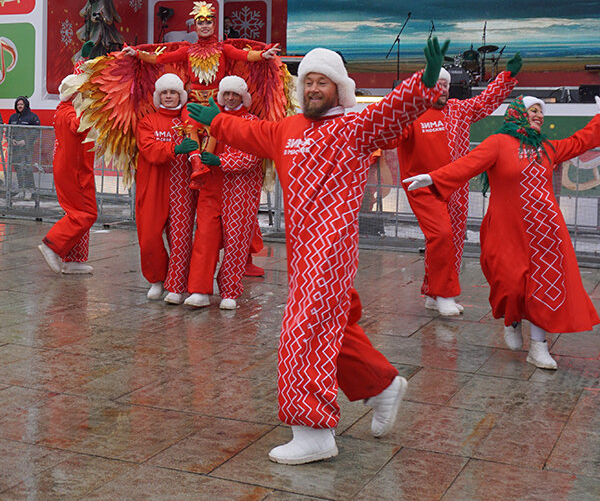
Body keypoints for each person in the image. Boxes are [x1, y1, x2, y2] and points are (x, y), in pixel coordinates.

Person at [188, 37, 447, 464]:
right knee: (332, 329)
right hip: (301, 250)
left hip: (331, 250)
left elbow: (392, 112)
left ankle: (313, 431)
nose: (313, 89)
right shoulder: (288, 129)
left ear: (338, 88)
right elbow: (252, 132)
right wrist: (217, 121)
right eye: (307, 81)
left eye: (322, 82)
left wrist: (426, 82)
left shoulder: (354, 127)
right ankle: (382, 386)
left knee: (301, 333)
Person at [404, 88, 600, 371]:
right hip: (506, 231)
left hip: (545, 231)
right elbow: (467, 166)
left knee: (543, 287)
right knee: (512, 284)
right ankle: (513, 319)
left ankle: (538, 347)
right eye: (534, 111)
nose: (539, 116)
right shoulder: (498, 143)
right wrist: (432, 177)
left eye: (542, 111)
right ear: (518, 114)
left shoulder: (547, 148)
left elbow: (581, 141)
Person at [392, 56, 521, 316]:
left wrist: (506, 78)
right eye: (436, 84)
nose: (443, 90)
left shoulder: (459, 110)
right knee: (441, 235)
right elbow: (390, 134)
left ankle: (433, 291)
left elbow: (485, 103)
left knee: (451, 240)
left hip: (457, 187)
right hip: (423, 186)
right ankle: (445, 294)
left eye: (446, 85)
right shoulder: (412, 113)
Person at [122, 1, 281, 185]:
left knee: (216, 125)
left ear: (214, 25)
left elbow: (243, 55)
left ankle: (207, 165)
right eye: (200, 22)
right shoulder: (188, 51)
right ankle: (197, 164)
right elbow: (160, 58)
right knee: (189, 122)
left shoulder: (224, 48)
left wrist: (262, 55)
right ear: (195, 26)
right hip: (194, 102)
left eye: (208, 22)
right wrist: (137, 54)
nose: (205, 26)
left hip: (216, 103)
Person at [184, 76, 263, 310]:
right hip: (211, 188)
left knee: (236, 241)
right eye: (226, 94)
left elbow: (252, 155)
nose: (230, 98)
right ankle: (199, 290)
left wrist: (221, 160)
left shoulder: (252, 122)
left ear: (242, 97)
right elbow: (195, 142)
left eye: (234, 94)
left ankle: (230, 290)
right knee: (205, 238)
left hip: (241, 191)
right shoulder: (211, 120)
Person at [134, 73, 197, 302]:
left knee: (180, 237)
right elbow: (149, 149)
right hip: (153, 186)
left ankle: (177, 284)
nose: (169, 96)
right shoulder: (148, 121)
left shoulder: (187, 121)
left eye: (173, 92)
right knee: (149, 237)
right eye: (165, 92)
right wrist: (174, 148)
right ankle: (157, 279)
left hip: (182, 188)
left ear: (181, 95)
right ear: (158, 95)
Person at [37, 74, 95, 275]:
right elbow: (77, 125)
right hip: (74, 171)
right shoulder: (70, 112)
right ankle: (52, 245)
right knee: (84, 214)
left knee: (78, 213)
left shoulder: (62, 109)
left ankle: (71, 260)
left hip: (72, 168)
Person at [7, 96, 40, 199]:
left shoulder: (32, 117)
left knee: (27, 168)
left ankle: (30, 190)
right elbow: (8, 131)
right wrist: (11, 140)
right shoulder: (13, 117)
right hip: (15, 149)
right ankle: (21, 190)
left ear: (25, 105)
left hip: (27, 149)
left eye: (21, 104)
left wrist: (25, 141)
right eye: (18, 104)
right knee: (18, 168)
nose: (19, 106)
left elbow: (36, 132)